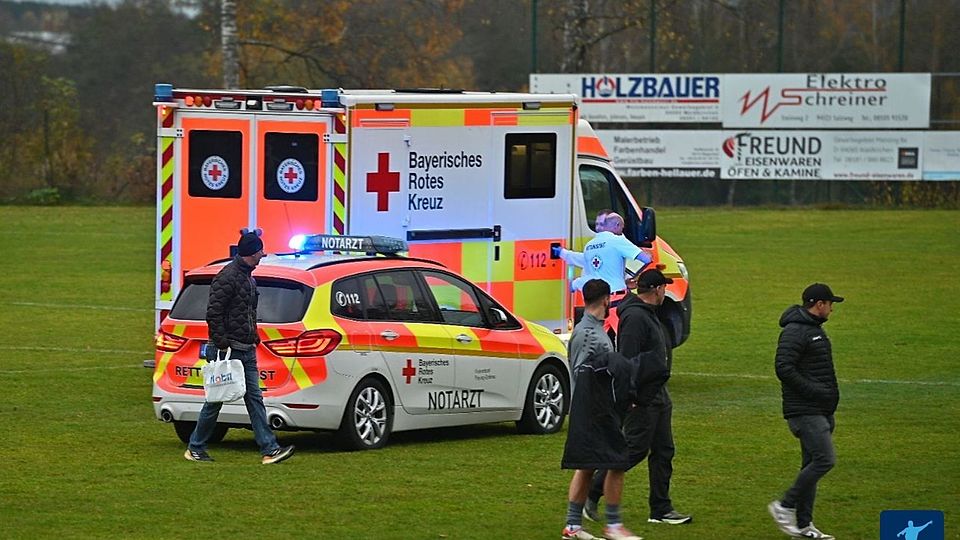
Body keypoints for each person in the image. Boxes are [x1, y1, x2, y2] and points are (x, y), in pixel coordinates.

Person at [560, 279, 669, 540]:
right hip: (595, 410)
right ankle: (613, 525)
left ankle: (573, 527)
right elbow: (584, 374)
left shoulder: (595, 329)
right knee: (616, 463)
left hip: (596, 409)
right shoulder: (588, 334)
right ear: (606, 300)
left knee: (587, 467)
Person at [586, 269, 693, 526]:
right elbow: (627, 359)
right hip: (643, 396)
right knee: (634, 450)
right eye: (664, 288)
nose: (665, 292)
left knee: (664, 451)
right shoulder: (636, 318)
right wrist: (631, 394)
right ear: (656, 289)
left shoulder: (647, 315)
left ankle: (661, 509)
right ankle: (591, 492)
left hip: (658, 392)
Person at [184, 229, 296, 465]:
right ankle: (195, 446)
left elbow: (243, 312)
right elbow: (214, 314)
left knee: (254, 399)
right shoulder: (228, 277)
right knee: (215, 400)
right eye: (260, 251)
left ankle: (269, 449)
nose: (263, 255)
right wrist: (223, 343)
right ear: (250, 254)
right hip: (230, 350)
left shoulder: (245, 276)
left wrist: (252, 336)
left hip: (245, 347)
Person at [768, 283, 844, 539]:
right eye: (830, 304)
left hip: (820, 410)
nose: (832, 309)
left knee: (810, 465)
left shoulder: (813, 329)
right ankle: (784, 506)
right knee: (824, 460)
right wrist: (816, 392)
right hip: (806, 411)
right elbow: (783, 368)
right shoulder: (796, 331)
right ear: (819, 304)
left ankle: (804, 526)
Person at [555, 212, 652, 293]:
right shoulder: (617, 241)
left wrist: (562, 253)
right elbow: (646, 259)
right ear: (617, 225)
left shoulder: (589, 245)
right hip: (615, 295)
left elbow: (597, 267)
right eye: (622, 228)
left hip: (597, 296)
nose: (622, 232)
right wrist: (648, 254)